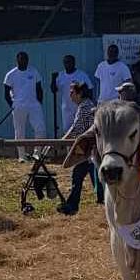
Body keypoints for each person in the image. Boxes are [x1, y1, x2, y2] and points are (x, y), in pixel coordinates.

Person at [57, 82, 99, 215]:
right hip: (87, 150)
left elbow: (77, 129)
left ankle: (101, 202)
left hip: (89, 150)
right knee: (78, 175)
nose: (70, 95)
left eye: (72, 92)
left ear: (79, 93)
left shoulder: (85, 107)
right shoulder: (86, 105)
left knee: (95, 178)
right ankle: (72, 205)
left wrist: (62, 141)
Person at [3, 51, 45, 163]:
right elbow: (6, 93)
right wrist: (12, 105)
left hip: (33, 105)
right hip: (18, 106)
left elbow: (39, 88)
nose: (24, 61)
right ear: (17, 60)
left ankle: (37, 154)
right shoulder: (11, 74)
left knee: (40, 128)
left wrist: (39, 102)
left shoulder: (33, 71)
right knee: (19, 131)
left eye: (26, 59)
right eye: (21, 59)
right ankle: (21, 156)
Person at [52, 55, 92, 133]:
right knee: (67, 130)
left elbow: (90, 89)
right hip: (66, 108)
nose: (68, 64)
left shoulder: (81, 74)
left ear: (74, 63)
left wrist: (88, 103)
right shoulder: (61, 75)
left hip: (78, 106)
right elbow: (54, 90)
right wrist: (53, 79)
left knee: (81, 129)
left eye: (70, 62)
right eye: (66, 62)